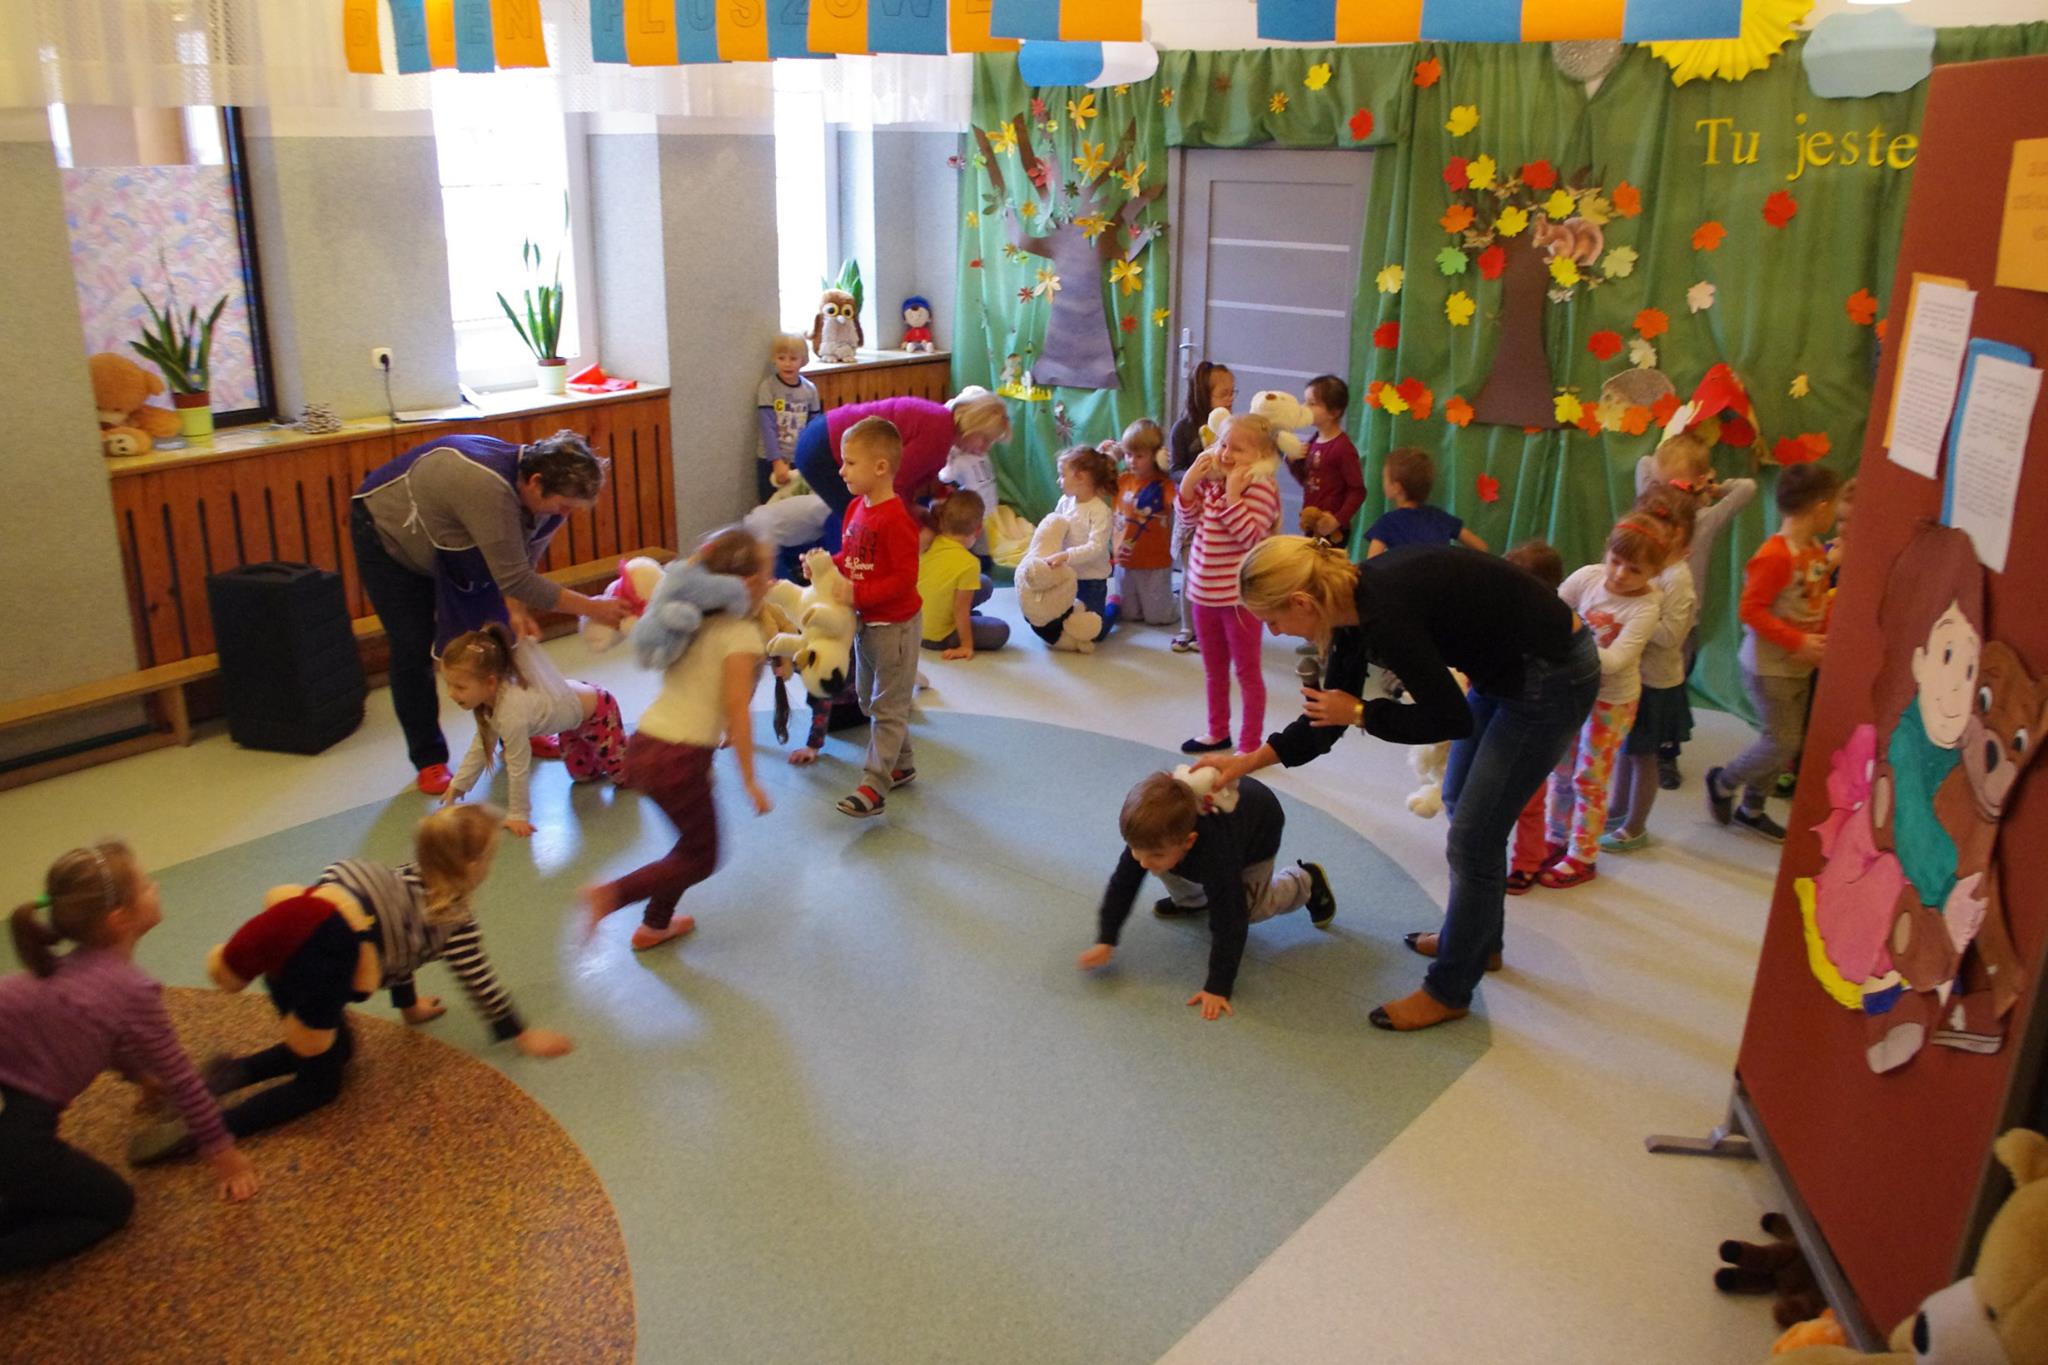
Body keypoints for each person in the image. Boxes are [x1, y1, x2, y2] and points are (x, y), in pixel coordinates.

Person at [1208, 537, 1598, 1031]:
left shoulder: (1386, 615)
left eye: (1273, 619)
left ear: (1303, 602)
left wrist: (1362, 712)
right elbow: (1324, 724)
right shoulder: (1347, 604)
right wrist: (1245, 763)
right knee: (1460, 800)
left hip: (1552, 675)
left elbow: (1448, 719)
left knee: (1474, 838)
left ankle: (1449, 990)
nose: (1275, 631)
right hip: (1508, 669)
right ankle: (1480, 943)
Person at [130, 805, 571, 1162]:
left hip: (287, 957)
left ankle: (224, 1075)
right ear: (472, 866)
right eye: (489, 859)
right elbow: (480, 982)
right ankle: (206, 1129)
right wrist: (521, 1033)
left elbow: (398, 946)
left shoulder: (405, 879)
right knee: (319, 1085)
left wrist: (410, 1006)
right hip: (316, 976)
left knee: (338, 1051)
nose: (490, 867)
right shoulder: (454, 920)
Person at [1, 844, 258, 1270]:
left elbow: (103, 1035)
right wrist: (224, 1156)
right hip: (19, 1134)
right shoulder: (130, 989)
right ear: (119, 919)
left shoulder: (77, 973)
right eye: (145, 885)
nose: (155, 887)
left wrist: (141, 1078)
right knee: (114, 1205)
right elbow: (184, 1081)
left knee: (29, 1186)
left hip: (14, 1114)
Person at [351, 430, 632, 795]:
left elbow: (522, 564)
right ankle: (428, 758)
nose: (566, 514)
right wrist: (594, 608)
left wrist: (515, 609)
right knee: (413, 643)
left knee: (498, 638)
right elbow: (516, 578)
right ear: (535, 483)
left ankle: (516, 726)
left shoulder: (543, 500)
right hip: (389, 537)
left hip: (447, 537)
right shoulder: (488, 490)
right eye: (564, 505)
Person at [582, 528, 775, 950]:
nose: (772, 582)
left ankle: (655, 925)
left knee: (689, 846)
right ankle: (612, 894)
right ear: (745, 584)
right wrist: (750, 779)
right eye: (767, 575)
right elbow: (737, 710)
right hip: (679, 757)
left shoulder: (690, 623)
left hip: (646, 745)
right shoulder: (741, 635)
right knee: (702, 856)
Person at [1076, 771, 1336, 1021]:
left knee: (1250, 909)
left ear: (1189, 841)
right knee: (1160, 865)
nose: (1142, 861)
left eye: (1153, 853)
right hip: (1214, 830)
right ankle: (1194, 902)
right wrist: (1106, 938)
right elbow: (1123, 884)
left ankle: (1304, 880)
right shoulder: (1151, 838)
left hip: (1259, 829)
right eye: (1135, 850)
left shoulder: (1216, 856)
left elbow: (1230, 919)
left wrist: (1218, 986)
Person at [1538, 506, 1674, 889]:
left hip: (1612, 703)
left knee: (1589, 780)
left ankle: (1582, 857)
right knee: (1561, 771)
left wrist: (1566, 642)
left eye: (1635, 569)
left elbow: (1615, 661)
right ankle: (1555, 838)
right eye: (1615, 561)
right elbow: (1550, 610)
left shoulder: (1646, 607)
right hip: (1572, 693)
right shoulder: (1588, 578)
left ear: (1655, 572)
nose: (1620, 574)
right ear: (1606, 552)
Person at [1707, 464, 1840, 842]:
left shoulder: (1813, 550)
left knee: (1783, 740)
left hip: (1796, 666)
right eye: (1833, 507)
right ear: (1821, 507)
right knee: (1783, 742)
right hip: (1768, 668)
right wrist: (1797, 642)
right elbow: (1750, 610)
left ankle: (1752, 808)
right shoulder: (1775, 555)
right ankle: (1723, 781)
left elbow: (1813, 600)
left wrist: (1819, 639)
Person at [1633, 431, 1757, 789]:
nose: (1666, 492)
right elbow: (1644, 463)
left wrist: (1712, 488)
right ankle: (1635, 741)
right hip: (1643, 610)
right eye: (1660, 483)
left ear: (1697, 482)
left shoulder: (1703, 519)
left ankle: (1666, 752)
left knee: (1672, 686)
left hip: (1683, 623)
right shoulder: (1649, 509)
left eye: (1675, 484)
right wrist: (1662, 481)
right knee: (1638, 680)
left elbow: (1747, 489)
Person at [441, 624, 626, 838]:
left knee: (624, 777)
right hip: (571, 723)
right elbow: (482, 745)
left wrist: (518, 815)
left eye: (460, 687)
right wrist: (459, 784)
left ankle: (631, 748)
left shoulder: (512, 712)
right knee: (583, 776)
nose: (451, 694)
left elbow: (518, 766)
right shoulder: (490, 702)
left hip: (599, 711)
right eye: (448, 685)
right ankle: (611, 748)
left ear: (490, 682)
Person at [830, 418, 923, 819]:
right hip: (865, 625)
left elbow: (904, 579)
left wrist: (857, 594)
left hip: (896, 628)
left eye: (850, 463)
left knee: (887, 707)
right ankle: (901, 764)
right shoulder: (856, 508)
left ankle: (874, 785)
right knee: (870, 700)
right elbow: (851, 558)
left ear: (881, 467)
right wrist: (827, 565)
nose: (842, 471)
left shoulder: (896, 519)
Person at [1177, 413, 1282, 755]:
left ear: (1261, 455)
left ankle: (1249, 745)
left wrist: (1234, 496)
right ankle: (1217, 731)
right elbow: (1188, 520)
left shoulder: (1262, 487)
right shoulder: (1214, 481)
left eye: (1237, 449)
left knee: (1247, 673)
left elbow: (1252, 539)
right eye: (1223, 444)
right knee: (1214, 670)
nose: (1225, 453)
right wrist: (1189, 482)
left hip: (1239, 599)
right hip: (1203, 592)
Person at [1603, 488, 1701, 853]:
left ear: (1676, 535)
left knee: (1644, 756)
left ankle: (1635, 826)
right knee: (1626, 749)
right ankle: (1617, 809)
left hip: (1656, 683)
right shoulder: (1652, 570)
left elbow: (1672, 636)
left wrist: (1633, 620)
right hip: (1634, 677)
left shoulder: (1677, 579)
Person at [792, 392, 1011, 554]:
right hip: (823, 448)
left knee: (867, 522)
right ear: (972, 426)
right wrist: (919, 529)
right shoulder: (939, 434)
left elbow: (902, 483)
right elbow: (887, 488)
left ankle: (853, 578)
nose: (984, 449)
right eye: (984, 439)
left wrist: (915, 512)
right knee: (863, 524)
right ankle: (851, 582)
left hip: (823, 436)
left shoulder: (941, 424)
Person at [1500, 540, 1566, 895]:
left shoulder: (1551, 626)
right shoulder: (1502, 616)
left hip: (1535, 725)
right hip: (1499, 719)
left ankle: (1528, 861)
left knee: (1530, 801)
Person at [1167, 362, 1235, 651]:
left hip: (1220, 515)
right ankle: (1188, 628)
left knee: (1220, 576)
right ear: (1203, 395)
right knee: (1191, 572)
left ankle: (1215, 629)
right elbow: (1174, 470)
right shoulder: (1184, 429)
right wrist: (1196, 475)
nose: (1230, 399)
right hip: (1192, 514)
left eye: (1233, 393)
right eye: (1223, 394)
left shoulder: (1233, 427)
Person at [919, 490, 1009, 658]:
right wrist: (966, 646)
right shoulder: (969, 564)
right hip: (939, 638)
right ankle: (960, 633)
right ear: (978, 530)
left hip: (915, 629)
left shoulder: (930, 542)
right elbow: (960, 609)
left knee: (984, 583)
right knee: (1001, 630)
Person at [1107, 419, 1177, 630]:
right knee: (1129, 615)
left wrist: (1170, 468)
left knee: (1159, 617)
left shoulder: (1164, 485)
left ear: (1155, 456)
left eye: (1139, 456)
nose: (1132, 461)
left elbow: (1179, 502)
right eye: (1128, 455)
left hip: (1155, 562)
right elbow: (1097, 477)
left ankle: (1176, 598)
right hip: (1124, 561)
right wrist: (1112, 455)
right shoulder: (1122, 480)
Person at [1044, 445, 1118, 637]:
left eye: (1062, 475)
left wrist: (1065, 556)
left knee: (1094, 633)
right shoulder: (1065, 502)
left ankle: (1114, 606)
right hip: (1067, 576)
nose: (1058, 481)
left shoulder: (1100, 511)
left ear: (1081, 477)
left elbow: (1096, 547)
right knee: (1065, 624)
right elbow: (1054, 527)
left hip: (1092, 580)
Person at [1365, 448, 1489, 558]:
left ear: (1397, 487)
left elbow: (1372, 563)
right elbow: (1482, 547)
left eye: (1384, 477)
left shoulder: (1387, 523)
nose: (1383, 481)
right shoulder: (1440, 518)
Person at [1288, 374, 1366, 546]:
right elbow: (1307, 481)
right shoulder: (1314, 440)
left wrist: (1337, 520)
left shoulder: (1343, 448)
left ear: (1334, 412)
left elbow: (1358, 491)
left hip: (1333, 529)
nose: (1304, 407)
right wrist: (1293, 462)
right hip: (1312, 522)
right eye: (1305, 402)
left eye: (1312, 403)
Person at [756, 334, 822, 504]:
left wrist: (812, 457)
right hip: (771, 460)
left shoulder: (810, 389)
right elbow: (767, 426)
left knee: (797, 506)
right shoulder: (768, 387)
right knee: (770, 507)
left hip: (799, 459)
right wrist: (776, 461)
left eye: (793, 358)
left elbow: (814, 427)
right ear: (774, 359)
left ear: (803, 360)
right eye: (781, 358)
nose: (787, 363)